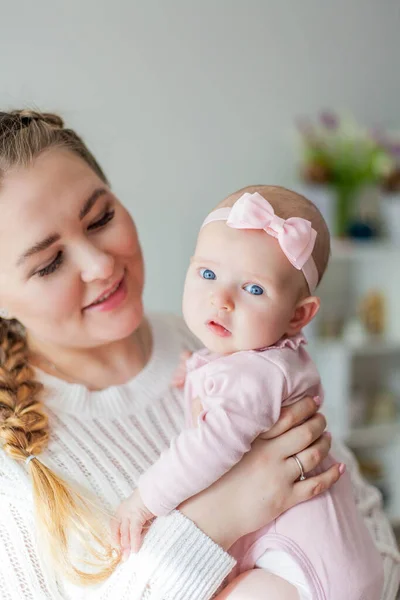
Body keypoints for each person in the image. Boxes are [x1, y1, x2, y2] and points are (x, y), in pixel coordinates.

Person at [0, 110, 397, 600]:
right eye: (50, 262)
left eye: (101, 217)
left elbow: (365, 520)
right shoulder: (11, 468)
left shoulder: (231, 344)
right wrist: (216, 518)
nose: (100, 265)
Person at [115, 187, 383, 599]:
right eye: (208, 274)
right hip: (331, 557)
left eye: (253, 290)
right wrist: (198, 367)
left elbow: (208, 447)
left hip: (303, 570)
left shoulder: (256, 375)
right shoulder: (264, 362)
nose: (220, 300)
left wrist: (144, 500)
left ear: (298, 316)